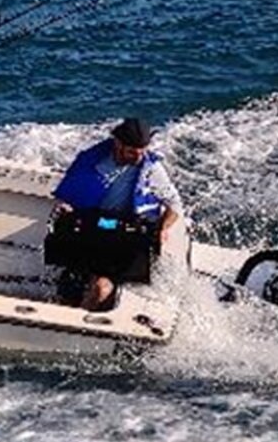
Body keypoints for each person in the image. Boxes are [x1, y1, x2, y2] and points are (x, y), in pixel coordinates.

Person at [52, 117, 183, 311]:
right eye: (132, 152)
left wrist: (163, 228)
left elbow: (175, 205)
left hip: (125, 234)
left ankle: (78, 322)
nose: (138, 157)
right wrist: (66, 208)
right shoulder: (93, 160)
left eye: (142, 152)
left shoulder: (151, 169)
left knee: (101, 288)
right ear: (118, 144)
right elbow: (71, 194)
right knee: (70, 284)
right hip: (94, 228)